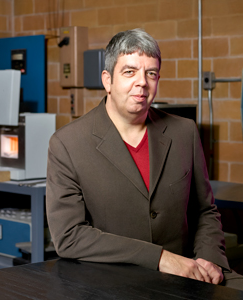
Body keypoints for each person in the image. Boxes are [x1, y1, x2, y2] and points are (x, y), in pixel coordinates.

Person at [46, 29, 243, 289]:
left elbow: (205, 210)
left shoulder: (184, 132)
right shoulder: (67, 144)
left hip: (187, 272)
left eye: (151, 73)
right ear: (108, 80)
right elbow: (69, 237)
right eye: (129, 72)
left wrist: (210, 258)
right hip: (113, 281)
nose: (142, 82)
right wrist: (160, 258)